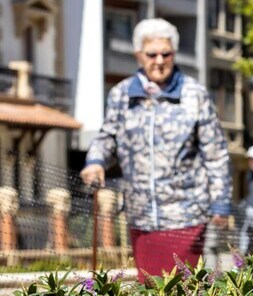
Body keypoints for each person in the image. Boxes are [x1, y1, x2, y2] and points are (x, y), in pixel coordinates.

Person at [80, 18, 231, 282]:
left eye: (166, 53)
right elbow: (108, 138)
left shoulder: (195, 94)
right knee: (149, 291)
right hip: (141, 216)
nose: (159, 61)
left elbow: (216, 153)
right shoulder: (122, 94)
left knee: (185, 293)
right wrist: (95, 161)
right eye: (152, 54)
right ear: (139, 55)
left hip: (186, 217)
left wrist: (220, 204)